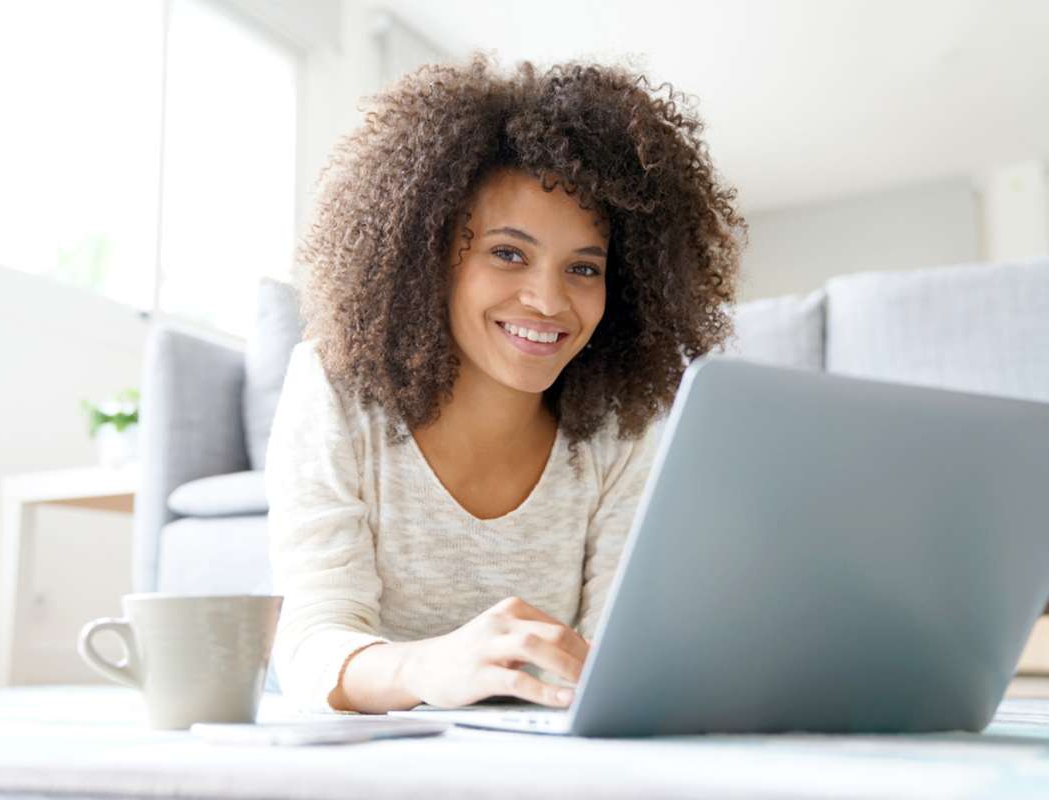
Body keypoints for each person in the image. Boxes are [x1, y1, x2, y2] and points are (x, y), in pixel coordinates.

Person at [264, 52, 747, 714]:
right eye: (508, 253)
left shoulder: (618, 429)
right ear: (428, 255)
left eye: (583, 268)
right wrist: (424, 668)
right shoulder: (334, 389)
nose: (549, 302)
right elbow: (309, 643)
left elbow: (618, 657)